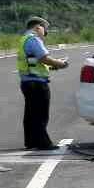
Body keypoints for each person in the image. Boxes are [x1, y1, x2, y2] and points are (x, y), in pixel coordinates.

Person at [17, 16, 68, 150]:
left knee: (30, 114)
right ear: (38, 27)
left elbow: (33, 62)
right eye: (45, 30)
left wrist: (51, 67)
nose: (45, 33)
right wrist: (61, 63)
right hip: (37, 83)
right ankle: (43, 143)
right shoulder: (34, 39)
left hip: (27, 81)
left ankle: (31, 141)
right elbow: (44, 58)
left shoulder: (24, 39)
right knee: (40, 114)